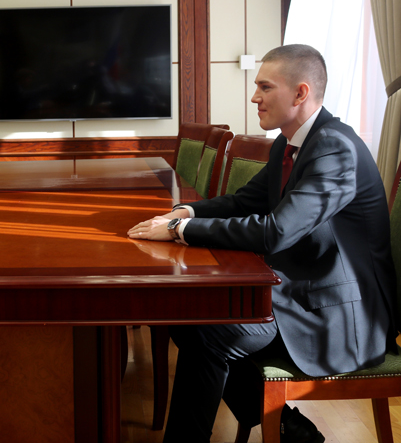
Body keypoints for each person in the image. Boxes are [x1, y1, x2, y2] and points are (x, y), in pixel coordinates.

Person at [128, 44, 397, 443]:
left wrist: (179, 231)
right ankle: (289, 427)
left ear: (300, 93)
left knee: (207, 332)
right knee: (187, 321)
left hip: (337, 314)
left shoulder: (335, 147)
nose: (254, 97)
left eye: (265, 87)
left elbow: (276, 231)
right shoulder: (288, 143)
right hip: (299, 291)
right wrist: (187, 212)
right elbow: (244, 202)